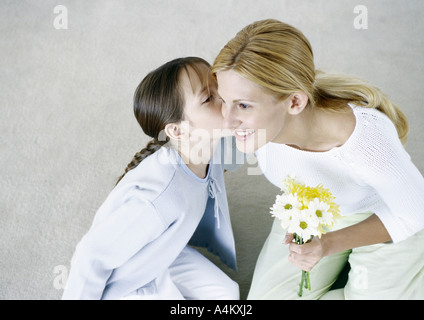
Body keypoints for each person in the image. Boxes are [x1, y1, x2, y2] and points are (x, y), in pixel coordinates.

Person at [212, 19, 424, 299]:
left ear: (295, 102)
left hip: (385, 216)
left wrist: (327, 244)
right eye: (223, 100)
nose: (227, 121)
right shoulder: (262, 128)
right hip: (314, 210)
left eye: (242, 105)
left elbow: (416, 211)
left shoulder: (366, 140)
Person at [62, 57, 239, 300]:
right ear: (177, 130)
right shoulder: (160, 197)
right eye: (209, 98)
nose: (225, 99)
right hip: (125, 280)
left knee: (227, 294)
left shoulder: (209, 143)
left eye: (218, 87)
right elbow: (90, 255)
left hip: (162, 251)